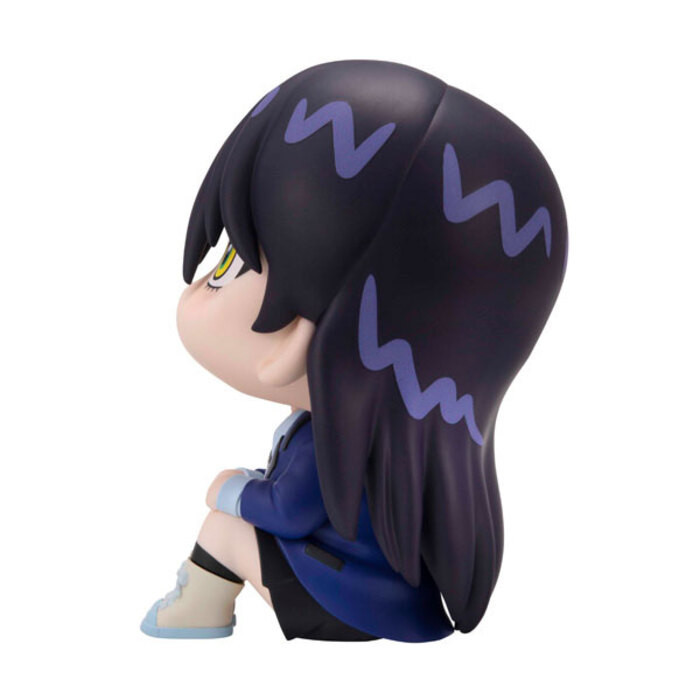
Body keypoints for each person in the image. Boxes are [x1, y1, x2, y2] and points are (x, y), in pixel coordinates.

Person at [140, 59, 567, 642]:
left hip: (347, 602)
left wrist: (233, 490)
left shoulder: (332, 444)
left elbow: (289, 510)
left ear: (297, 335)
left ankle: (194, 613)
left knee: (222, 528)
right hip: (378, 593)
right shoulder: (375, 442)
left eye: (231, 265)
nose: (203, 284)